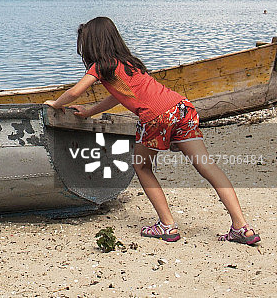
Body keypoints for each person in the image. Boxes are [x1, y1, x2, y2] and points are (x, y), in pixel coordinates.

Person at [44, 16, 260, 245]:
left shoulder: (101, 66)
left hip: (156, 117)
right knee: (207, 166)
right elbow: (118, 95)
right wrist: (90, 111)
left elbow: (76, 91)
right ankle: (242, 227)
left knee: (141, 166)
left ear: (94, 44)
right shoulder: (129, 63)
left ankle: (167, 226)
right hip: (181, 108)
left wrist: (56, 105)